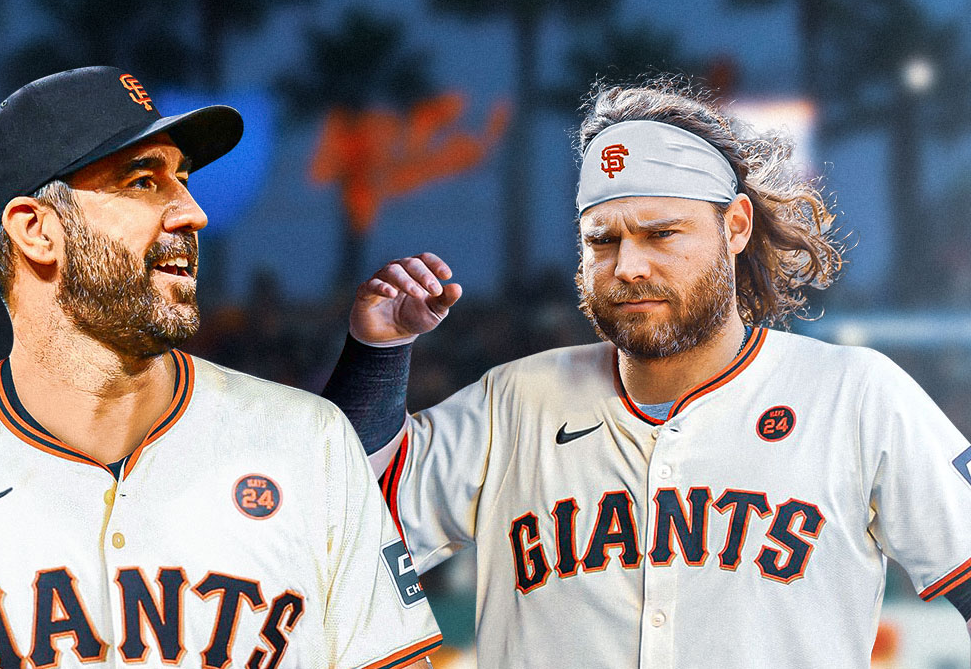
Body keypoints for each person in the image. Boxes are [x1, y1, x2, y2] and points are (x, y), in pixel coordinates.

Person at [0, 66, 440, 669]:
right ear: (37, 230)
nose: (193, 210)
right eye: (144, 180)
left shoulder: (310, 445)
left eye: (182, 176)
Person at [322, 77, 971, 666]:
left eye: (661, 234)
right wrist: (376, 351)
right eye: (603, 240)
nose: (627, 265)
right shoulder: (512, 402)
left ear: (735, 226)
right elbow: (338, 524)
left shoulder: (854, 396)